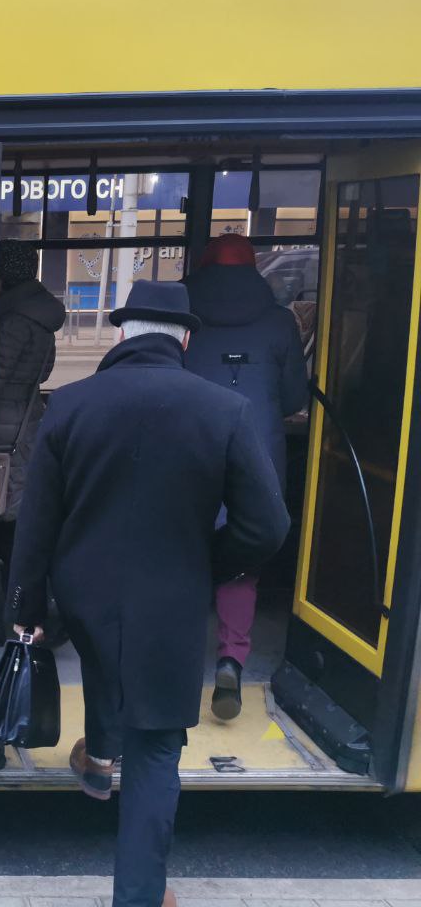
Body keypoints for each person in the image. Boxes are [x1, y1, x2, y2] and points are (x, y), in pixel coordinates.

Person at [8, 280, 290, 907]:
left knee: (109, 669)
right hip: (170, 599)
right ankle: (138, 896)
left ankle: (98, 760)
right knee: (159, 746)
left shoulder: (71, 406)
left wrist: (24, 610)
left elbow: (37, 524)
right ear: (185, 338)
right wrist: (207, 564)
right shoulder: (222, 410)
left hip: (83, 592)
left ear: (120, 334)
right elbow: (267, 525)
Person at [184, 234, 307, 720]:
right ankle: (231, 659)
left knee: (184, 555)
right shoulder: (281, 322)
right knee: (241, 561)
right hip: (258, 459)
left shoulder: (183, 321)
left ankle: (176, 658)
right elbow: (295, 398)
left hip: (190, 453)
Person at [0, 240, 66, 642]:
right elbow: (44, 369)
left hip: (0, 433)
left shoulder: (12, 320)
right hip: (25, 424)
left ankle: (23, 614)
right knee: (15, 522)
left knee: (5, 527)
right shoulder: (39, 317)